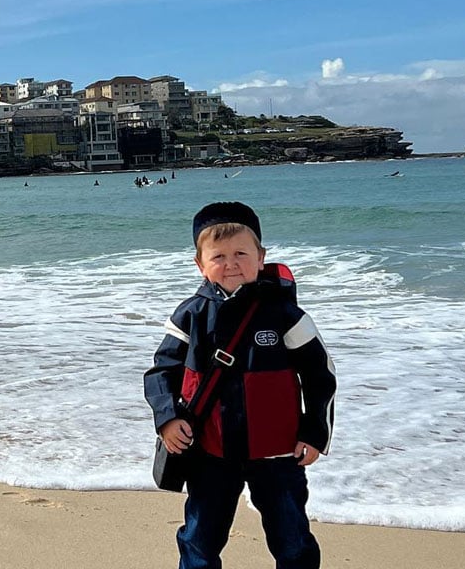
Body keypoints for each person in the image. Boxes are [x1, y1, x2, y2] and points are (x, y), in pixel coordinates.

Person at [144, 201, 336, 569]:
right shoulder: (191, 314)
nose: (231, 264)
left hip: (277, 453)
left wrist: (314, 433)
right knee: (199, 540)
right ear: (200, 264)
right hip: (210, 451)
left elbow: (320, 375)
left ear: (261, 258)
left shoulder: (284, 314)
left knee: (292, 541)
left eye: (241, 254)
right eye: (218, 256)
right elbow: (161, 371)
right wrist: (167, 418)